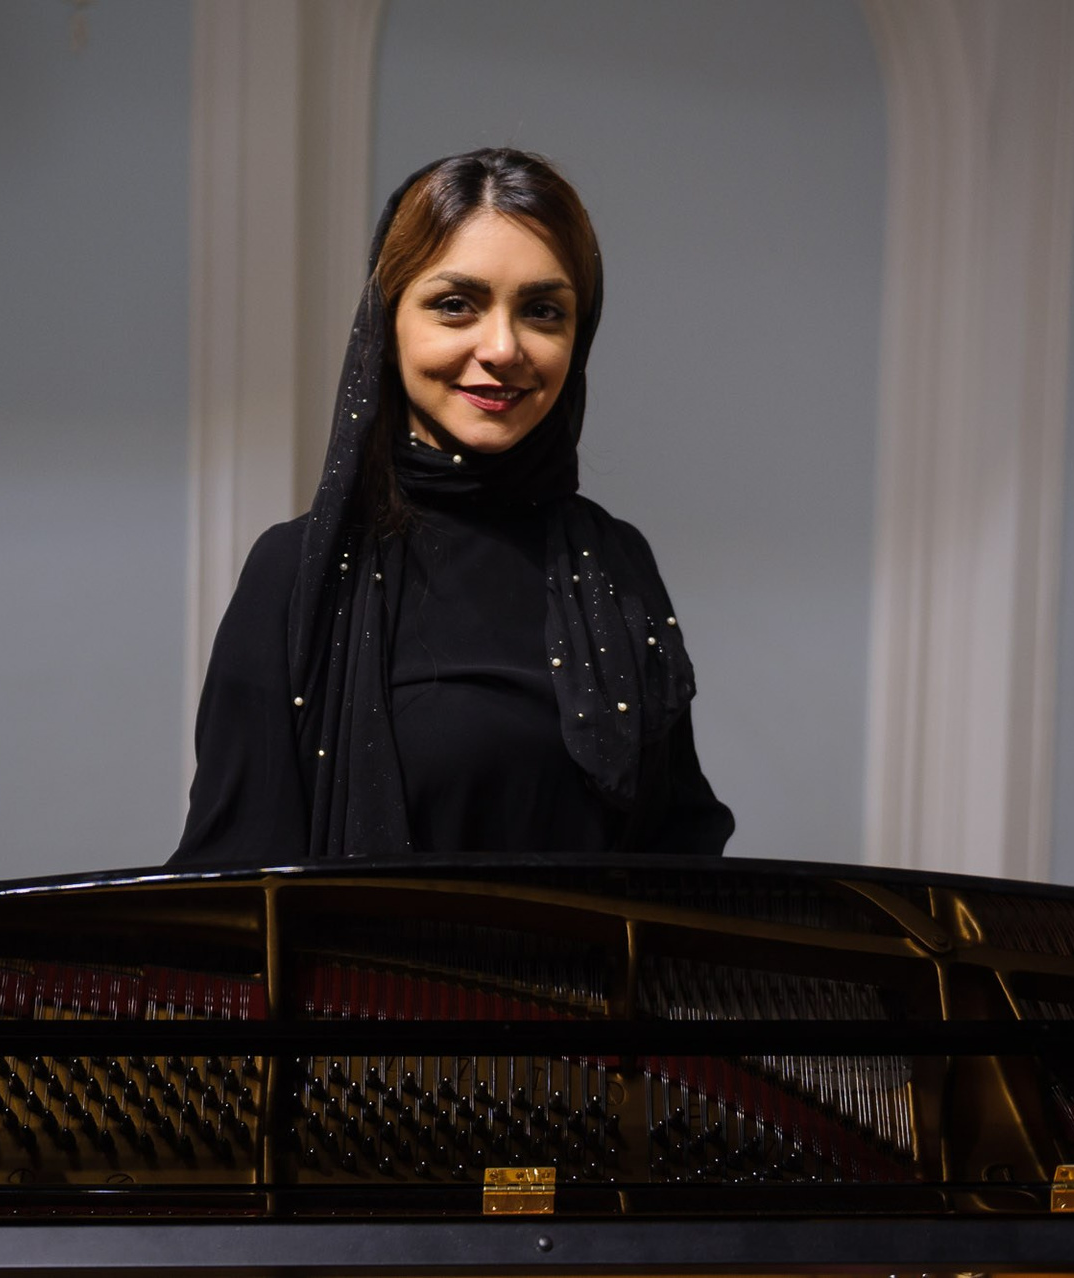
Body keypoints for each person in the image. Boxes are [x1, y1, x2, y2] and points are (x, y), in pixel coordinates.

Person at [171, 148, 732, 866]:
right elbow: (234, 881)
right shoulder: (297, 572)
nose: (502, 348)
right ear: (387, 326)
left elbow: (681, 858)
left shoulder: (614, 562)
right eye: (455, 305)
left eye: (542, 311)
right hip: (367, 948)